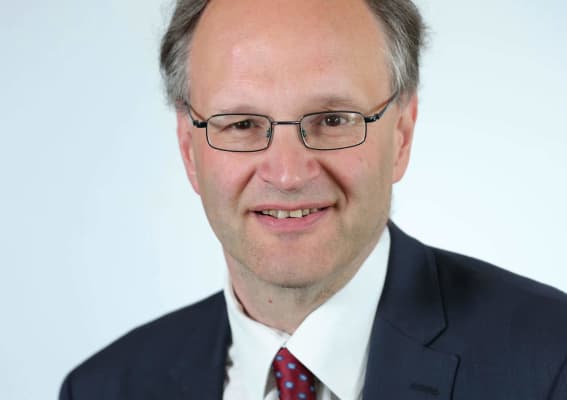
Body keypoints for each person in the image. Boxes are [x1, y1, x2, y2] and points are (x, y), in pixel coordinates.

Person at [59, 0, 567, 399]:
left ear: (402, 134)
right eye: (242, 124)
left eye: (333, 120)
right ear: (189, 150)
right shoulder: (103, 388)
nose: (287, 174)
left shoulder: (551, 362)